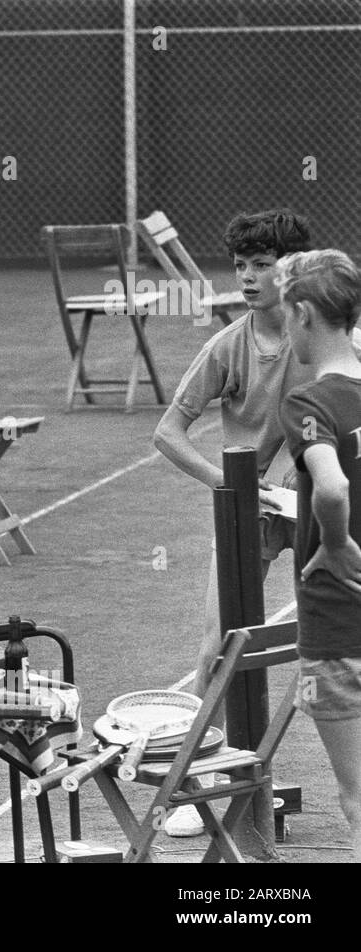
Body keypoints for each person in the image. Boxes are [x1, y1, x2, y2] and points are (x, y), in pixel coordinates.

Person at [152, 209, 311, 836]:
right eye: (240, 265)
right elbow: (167, 434)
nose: (247, 277)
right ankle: (202, 782)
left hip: (315, 508)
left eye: (262, 264)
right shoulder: (226, 346)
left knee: (337, 641)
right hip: (245, 510)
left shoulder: (325, 340)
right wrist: (233, 484)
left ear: (292, 269)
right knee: (215, 646)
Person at [277, 249, 361, 861]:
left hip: (337, 623)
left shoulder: (309, 402)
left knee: (358, 800)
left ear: (304, 314)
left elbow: (330, 486)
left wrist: (333, 544)